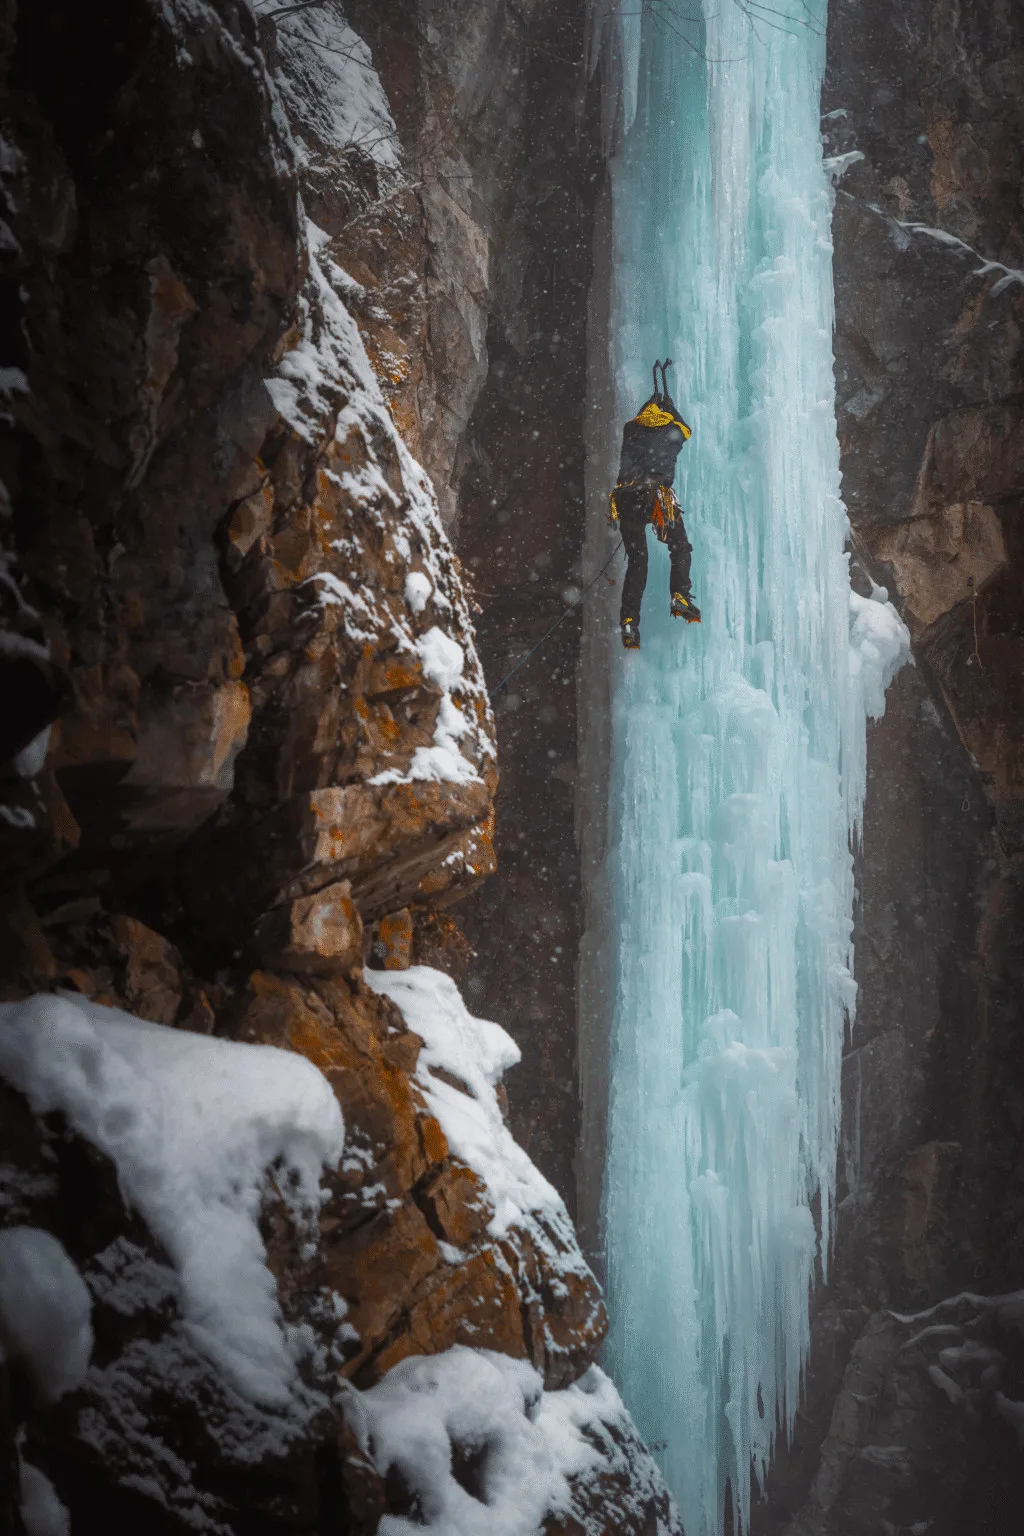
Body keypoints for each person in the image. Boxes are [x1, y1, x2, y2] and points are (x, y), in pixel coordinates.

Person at [609, 359, 700, 650]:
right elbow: (685, 430)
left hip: (626, 499)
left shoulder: (630, 429)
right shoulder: (672, 431)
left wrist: (653, 403)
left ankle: (629, 622)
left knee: (638, 563)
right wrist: (671, 407)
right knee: (680, 547)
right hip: (656, 498)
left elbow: (639, 421)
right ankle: (680, 596)